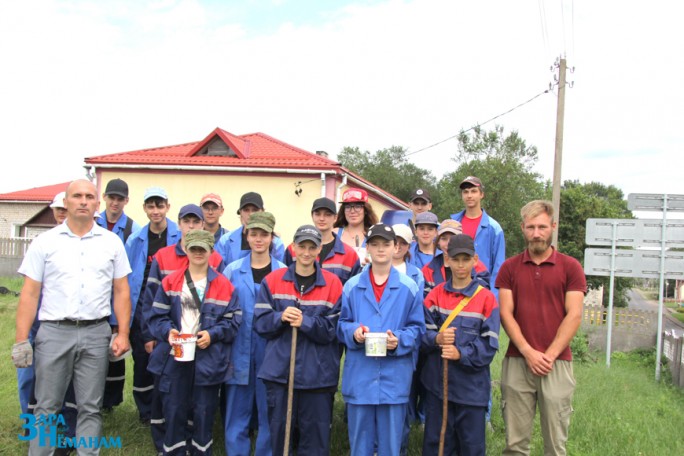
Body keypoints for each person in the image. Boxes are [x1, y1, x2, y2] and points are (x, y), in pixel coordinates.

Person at [12, 179, 132, 456]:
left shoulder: (111, 242)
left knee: (90, 406)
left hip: (95, 333)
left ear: (97, 204)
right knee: (46, 406)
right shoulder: (45, 242)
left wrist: (123, 333)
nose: (83, 201)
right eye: (77, 196)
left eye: (89, 196)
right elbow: (29, 294)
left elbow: (122, 291)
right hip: (53, 333)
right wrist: (21, 339)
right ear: (65, 203)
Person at [497, 200, 587, 456]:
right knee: (515, 445)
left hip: (556, 363)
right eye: (531, 227)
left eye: (542, 227)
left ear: (553, 227)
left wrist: (548, 355)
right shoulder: (509, 268)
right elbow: (506, 313)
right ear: (522, 228)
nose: (536, 233)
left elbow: (574, 315)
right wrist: (528, 352)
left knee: (555, 445)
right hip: (517, 361)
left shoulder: (571, 267)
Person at [148, 229, 241, 456]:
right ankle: (173, 450)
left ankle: (200, 450)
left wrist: (213, 334)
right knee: (174, 407)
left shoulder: (224, 285)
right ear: (186, 250)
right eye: (194, 248)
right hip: (175, 356)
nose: (198, 253)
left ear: (211, 251)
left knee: (204, 410)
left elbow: (233, 320)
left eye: (203, 249)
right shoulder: (170, 282)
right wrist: (168, 332)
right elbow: (156, 316)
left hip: (208, 359)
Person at [254, 225, 344, 456]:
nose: (306, 252)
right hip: (280, 375)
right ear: (293, 247)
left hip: (317, 377)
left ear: (319, 249)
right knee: (281, 440)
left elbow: (332, 331)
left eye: (311, 247)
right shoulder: (273, 281)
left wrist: (306, 322)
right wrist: (280, 317)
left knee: (314, 443)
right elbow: (261, 324)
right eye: (301, 246)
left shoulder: (333, 285)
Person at [337, 223, 425, 456]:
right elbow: (341, 325)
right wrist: (354, 333)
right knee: (360, 447)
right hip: (360, 378)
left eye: (386, 244)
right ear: (367, 248)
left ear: (396, 247)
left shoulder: (409, 288)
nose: (380, 249)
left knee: (390, 447)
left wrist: (399, 340)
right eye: (374, 244)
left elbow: (418, 329)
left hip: (393, 379)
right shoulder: (352, 287)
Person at [421, 234, 500, 456]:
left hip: (471, 392)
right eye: (456, 259)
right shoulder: (435, 295)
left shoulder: (487, 299)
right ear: (447, 259)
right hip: (438, 389)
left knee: (471, 449)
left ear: (475, 260)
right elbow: (421, 333)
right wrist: (436, 339)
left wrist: (461, 353)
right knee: (437, 447)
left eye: (466, 259)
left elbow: (489, 345)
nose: (461, 265)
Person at [223, 212, 286, 456]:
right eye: (254, 234)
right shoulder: (232, 270)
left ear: (272, 237)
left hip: (271, 349)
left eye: (264, 234)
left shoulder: (282, 272)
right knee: (237, 410)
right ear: (246, 236)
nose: (258, 239)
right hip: (239, 347)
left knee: (269, 409)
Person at [125, 187, 180, 450]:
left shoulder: (179, 236)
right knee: (143, 361)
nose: (155, 211)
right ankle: (146, 410)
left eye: (160, 206)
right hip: (142, 307)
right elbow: (126, 277)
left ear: (167, 207)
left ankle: (168, 409)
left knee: (168, 364)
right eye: (151, 206)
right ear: (145, 209)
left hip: (170, 308)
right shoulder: (135, 239)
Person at [95, 178, 141, 413]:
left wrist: (119, 318)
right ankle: (92, 399)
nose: (115, 202)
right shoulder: (92, 223)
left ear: (126, 201)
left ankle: (110, 402)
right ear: (104, 197)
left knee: (116, 353)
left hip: (119, 297)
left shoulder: (134, 230)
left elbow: (131, 275)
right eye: (111, 197)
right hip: (95, 296)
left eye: (120, 199)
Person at [391, 223, 426, 455]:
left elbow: (417, 313)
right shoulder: (369, 269)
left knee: (401, 402)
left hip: (403, 346)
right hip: (375, 346)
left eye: (402, 242)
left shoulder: (416, 274)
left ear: (408, 245)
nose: (397, 246)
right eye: (393, 241)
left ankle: (399, 447)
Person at [450, 176, 505, 300]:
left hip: (482, 291)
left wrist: (493, 298)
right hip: (454, 290)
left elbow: (498, 267)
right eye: (465, 192)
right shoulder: (452, 224)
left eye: (473, 191)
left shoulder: (494, 228)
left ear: (481, 194)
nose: (469, 195)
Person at [285, 197, 361, 285]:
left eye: (327, 214)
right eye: (317, 214)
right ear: (312, 216)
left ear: (335, 218)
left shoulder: (350, 255)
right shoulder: (293, 249)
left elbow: (353, 289)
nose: (322, 218)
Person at [422, 220, 490, 297]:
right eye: (444, 239)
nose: (448, 243)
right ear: (438, 241)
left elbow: (484, 295)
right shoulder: (428, 270)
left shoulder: (477, 267)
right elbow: (426, 301)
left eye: (453, 238)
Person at [215, 192, 285, 264]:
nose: (250, 214)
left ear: (263, 211)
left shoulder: (276, 243)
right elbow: (219, 271)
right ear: (240, 212)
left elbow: (280, 271)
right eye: (246, 210)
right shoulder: (225, 241)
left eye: (255, 210)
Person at [333, 188, 379, 258]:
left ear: (366, 210)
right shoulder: (333, 234)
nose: (352, 211)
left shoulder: (374, 236)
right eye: (348, 207)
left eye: (357, 206)